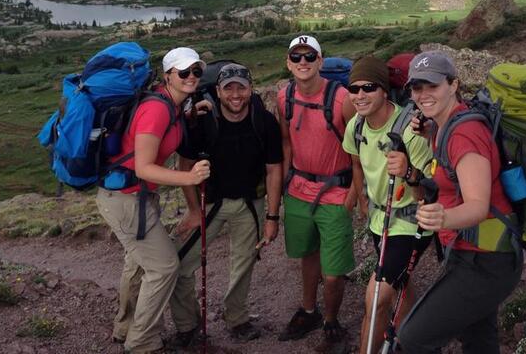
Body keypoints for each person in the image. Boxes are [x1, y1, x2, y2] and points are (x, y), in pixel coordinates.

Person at [396, 51, 523, 354]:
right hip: (483, 253)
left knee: (414, 337)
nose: (423, 95)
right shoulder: (446, 125)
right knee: (479, 338)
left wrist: (444, 219)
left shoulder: (464, 133)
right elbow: (452, 175)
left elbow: (478, 205)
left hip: (485, 259)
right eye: (416, 88)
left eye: (432, 86)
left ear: (453, 84)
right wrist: (431, 134)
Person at [97, 47, 211, 354]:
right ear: (167, 75)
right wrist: (190, 178)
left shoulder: (172, 105)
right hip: (126, 201)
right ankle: (142, 342)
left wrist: (189, 113)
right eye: (184, 72)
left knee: (137, 264)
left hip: (134, 198)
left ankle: (124, 329)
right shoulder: (157, 109)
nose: (191, 78)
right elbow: (143, 166)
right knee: (163, 267)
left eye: (196, 72)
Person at [169, 63, 283, 345]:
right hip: (210, 204)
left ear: (250, 89)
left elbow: (273, 169)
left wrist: (271, 217)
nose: (235, 95)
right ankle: (187, 325)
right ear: (217, 91)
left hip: (250, 204)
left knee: (244, 264)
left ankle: (237, 318)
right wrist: (195, 211)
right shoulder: (202, 121)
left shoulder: (264, 121)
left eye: (241, 88)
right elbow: (184, 166)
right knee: (179, 263)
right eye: (228, 88)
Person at [342, 56, 433, 354]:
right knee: (400, 284)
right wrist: (363, 203)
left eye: (368, 87)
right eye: (353, 89)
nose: (359, 95)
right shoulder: (356, 126)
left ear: (383, 90)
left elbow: (427, 194)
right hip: (379, 220)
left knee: (377, 297)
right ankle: (409, 339)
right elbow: (357, 164)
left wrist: (407, 171)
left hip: (410, 221)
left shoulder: (410, 130)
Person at [277, 35, 357, 350]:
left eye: (310, 57)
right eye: (296, 57)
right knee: (308, 255)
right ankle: (310, 311)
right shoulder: (282, 97)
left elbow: (357, 152)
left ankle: (331, 320)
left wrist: (355, 195)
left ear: (320, 61)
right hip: (298, 191)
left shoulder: (342, 100)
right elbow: (285, 142)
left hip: (336, 192)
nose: (303, 63)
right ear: (288, 63)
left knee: (334, 272)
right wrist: (283, 187)